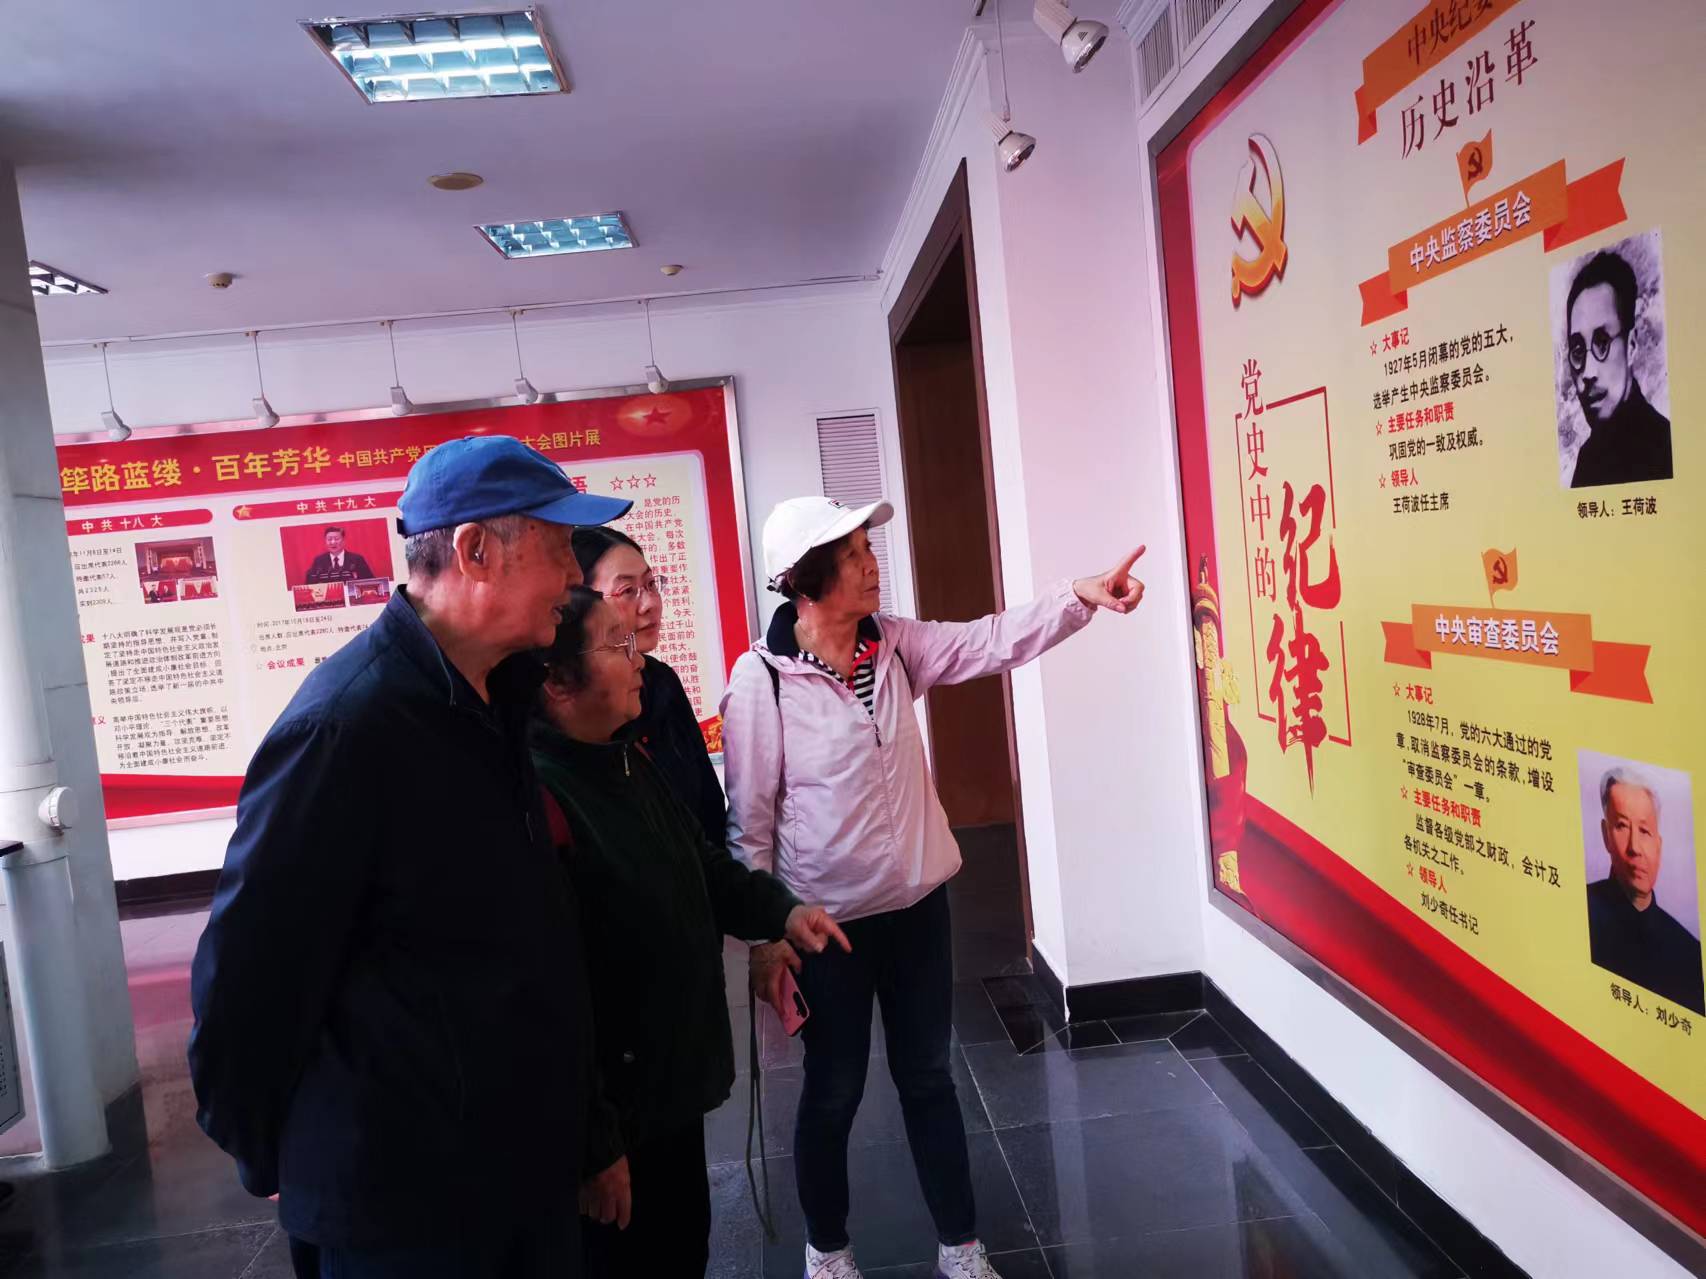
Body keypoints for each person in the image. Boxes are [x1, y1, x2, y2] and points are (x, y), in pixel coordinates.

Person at [189, 435, 631, 1279]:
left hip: (514, 1172)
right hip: (405, 1205)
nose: (576, 575)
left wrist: (584, 1131)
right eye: (558, 547)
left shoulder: (496, 699)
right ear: (475, 551)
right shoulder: (347, 728)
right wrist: (271, 1147)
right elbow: (249, 979)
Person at [720, 495, 1146, 1279]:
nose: (871, 563)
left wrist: (1076, 598)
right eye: (853, 554)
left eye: (866, 548)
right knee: (834, 1089)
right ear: (808, 579)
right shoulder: (762, 680)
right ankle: (827, 1250)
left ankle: (960, 1246)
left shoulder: (893, 644)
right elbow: (749, 820)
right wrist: (764, 938)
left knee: (927, 1077)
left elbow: (986, 640)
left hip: (918, 909)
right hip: (825, 925)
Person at [530, 587, 850, 1276]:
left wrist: (782, 911)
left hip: (667, 1095)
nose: (637, 658)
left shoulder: (624, 758)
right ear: (557, 682)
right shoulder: (542, 800)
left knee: (682, 1250)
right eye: (617, 644)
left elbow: (701, 864)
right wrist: (596, 1147)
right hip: (615, 1121)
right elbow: (552, 1003)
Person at [572, 526, 723, 842]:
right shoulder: (573, 702)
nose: (650, 603)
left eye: (651, 584)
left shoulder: (661, 680)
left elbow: (708, 805)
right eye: (628, 591)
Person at [1585, 768, 1704, 1014]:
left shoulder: (1690, 953)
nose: (1635, 847)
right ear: (1606, 835)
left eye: (1645, 831)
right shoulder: (1581, 910)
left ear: (1658, 845)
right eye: (1622, 826)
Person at [1566, 250, 1672, 488]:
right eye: (1578, 350)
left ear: (1631, 345)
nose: (1588, 372)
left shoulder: (1666, 446)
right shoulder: (1587, 458)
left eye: (1602, 342)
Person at [306, 525, 376, 582]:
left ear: (343, 540)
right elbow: (310, 583)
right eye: (329, 539)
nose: (333, 542)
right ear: (325, 541)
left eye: (336, 539)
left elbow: (369, 581)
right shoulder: (319, 561)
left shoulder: (357, 559)